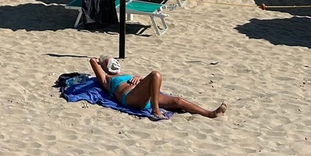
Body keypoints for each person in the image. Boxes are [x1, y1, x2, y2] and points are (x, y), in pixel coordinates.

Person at [88, 55, 225, 118]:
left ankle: (210, 113)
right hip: (129, 98)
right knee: (155, 75)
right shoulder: (106, 79)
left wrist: (139, 78)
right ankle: (155, 110)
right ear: (104, 67)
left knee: (178, 101)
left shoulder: (126, 74)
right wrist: (101, 61)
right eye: (109, 62)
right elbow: (92, 60)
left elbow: (142, 82)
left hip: (144, 95)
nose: (113, 62)